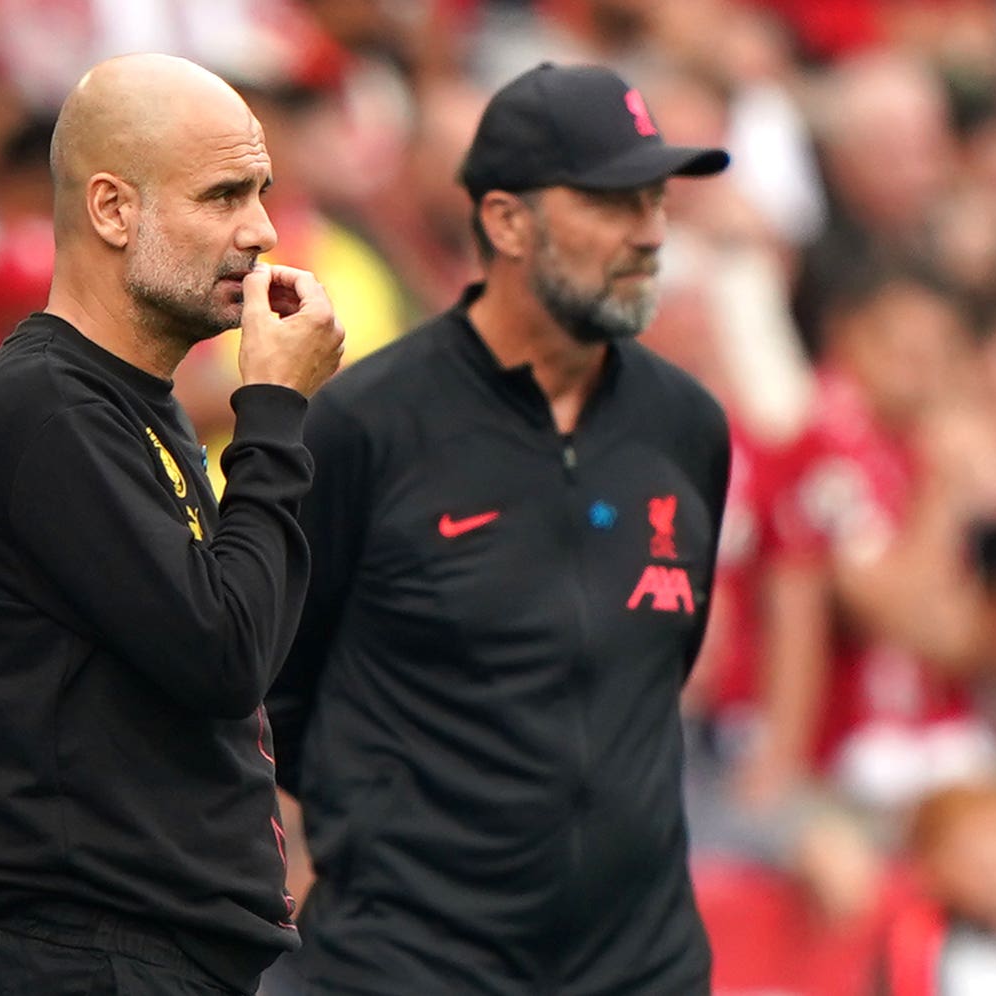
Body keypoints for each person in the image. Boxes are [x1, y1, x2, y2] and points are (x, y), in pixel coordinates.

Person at [266, 62, 731, 994]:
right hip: (411, 967)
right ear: (507, 221)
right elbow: (278, 689)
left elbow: (651, 672)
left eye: (656, 200)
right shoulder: (367, 425)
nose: (649, 234)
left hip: (643, 968)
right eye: (611, 203)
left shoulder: (688, 426)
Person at [0, 54, 344, 996]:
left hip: (154, 961)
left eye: (262, 192)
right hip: (93, 961)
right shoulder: (43, 407)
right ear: (113, 210)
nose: (264, 230)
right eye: (224, 195)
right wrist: (272, 410)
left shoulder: (125, 406)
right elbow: (227, 651)